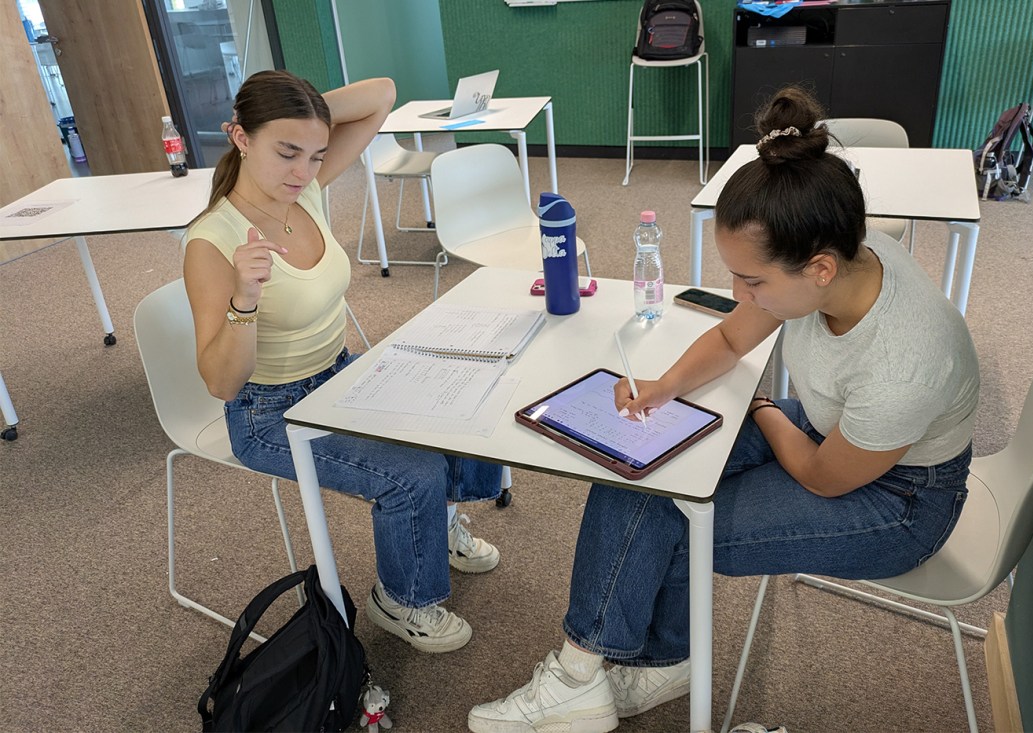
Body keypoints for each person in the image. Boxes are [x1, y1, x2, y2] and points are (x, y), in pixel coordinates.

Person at [467, 86, 980, 731]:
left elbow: (825, 475)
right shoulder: (843, 250)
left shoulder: (907, 356)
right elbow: (736, 334)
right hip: (824, 428)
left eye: (753, 281)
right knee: (640, 460)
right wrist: (664, 386)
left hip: (901, 497)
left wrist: (762, 408)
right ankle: (589, 671)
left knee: (686, 515)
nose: (739, 294)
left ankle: (649, 662)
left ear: (820, 268)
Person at [183, 70, 504, 655]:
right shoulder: (212, 240)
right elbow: (222, 383)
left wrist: (296, 114)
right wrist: (244, 300)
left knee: (465, 396)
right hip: (268, 412)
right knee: (413, 474)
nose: (303, 171)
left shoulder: (303, 189)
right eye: (286, 152)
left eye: (316, 154)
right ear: (240, 137)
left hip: (336, 371)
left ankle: (434, 526)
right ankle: (402, 599)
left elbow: (383, 92)